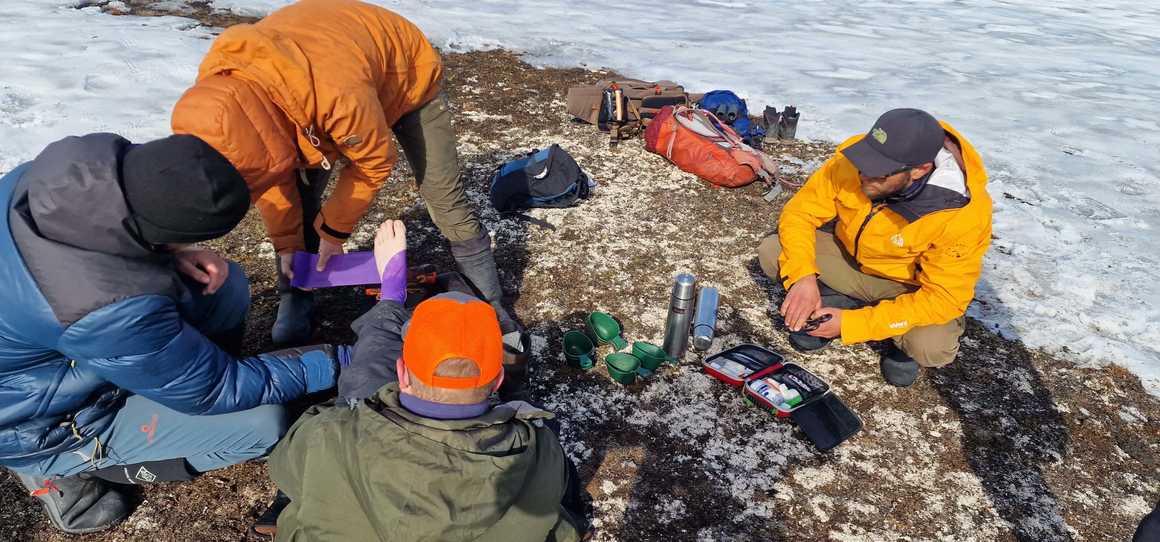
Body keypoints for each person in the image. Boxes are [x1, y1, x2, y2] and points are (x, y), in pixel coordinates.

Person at [0, 133, 342, 534]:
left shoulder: (67, 174)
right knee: (262, 424)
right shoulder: (98, 304)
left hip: (70, 345)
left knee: (224, 285)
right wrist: (339, 361)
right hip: (41, 417)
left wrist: (171, 253)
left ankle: (170, 379)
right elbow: (216, 389)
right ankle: (58, 466)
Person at [171, 0, 518, 348]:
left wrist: (334, 232)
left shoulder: (338, 94)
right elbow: (271, 179)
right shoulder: (221, 97)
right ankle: (296, 294)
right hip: (318, 86)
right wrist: (289, 245)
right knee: (301, 191)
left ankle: (488, 302)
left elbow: (374, 160)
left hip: (404, 75)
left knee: (444, 196)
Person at [263, 219, 587, 541]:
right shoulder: (538, 452)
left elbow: (282, 468)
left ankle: (391, 297)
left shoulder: (327, 434)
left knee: (363, 382)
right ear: (498, 379)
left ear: (401, 373)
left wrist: (392, 294)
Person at [757, 108, 992, 387]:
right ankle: (838, 299)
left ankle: (897, 341)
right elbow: (800, 214)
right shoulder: (857, 160)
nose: (864, 175)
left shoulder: (960, 213)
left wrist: (852, 325)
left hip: (906, 287)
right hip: (849, 260)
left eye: (879, 173)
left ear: (919, 170)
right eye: (865, 163)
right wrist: (803, 277)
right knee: (773, 252)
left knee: (932, 346)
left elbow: (943, 299)